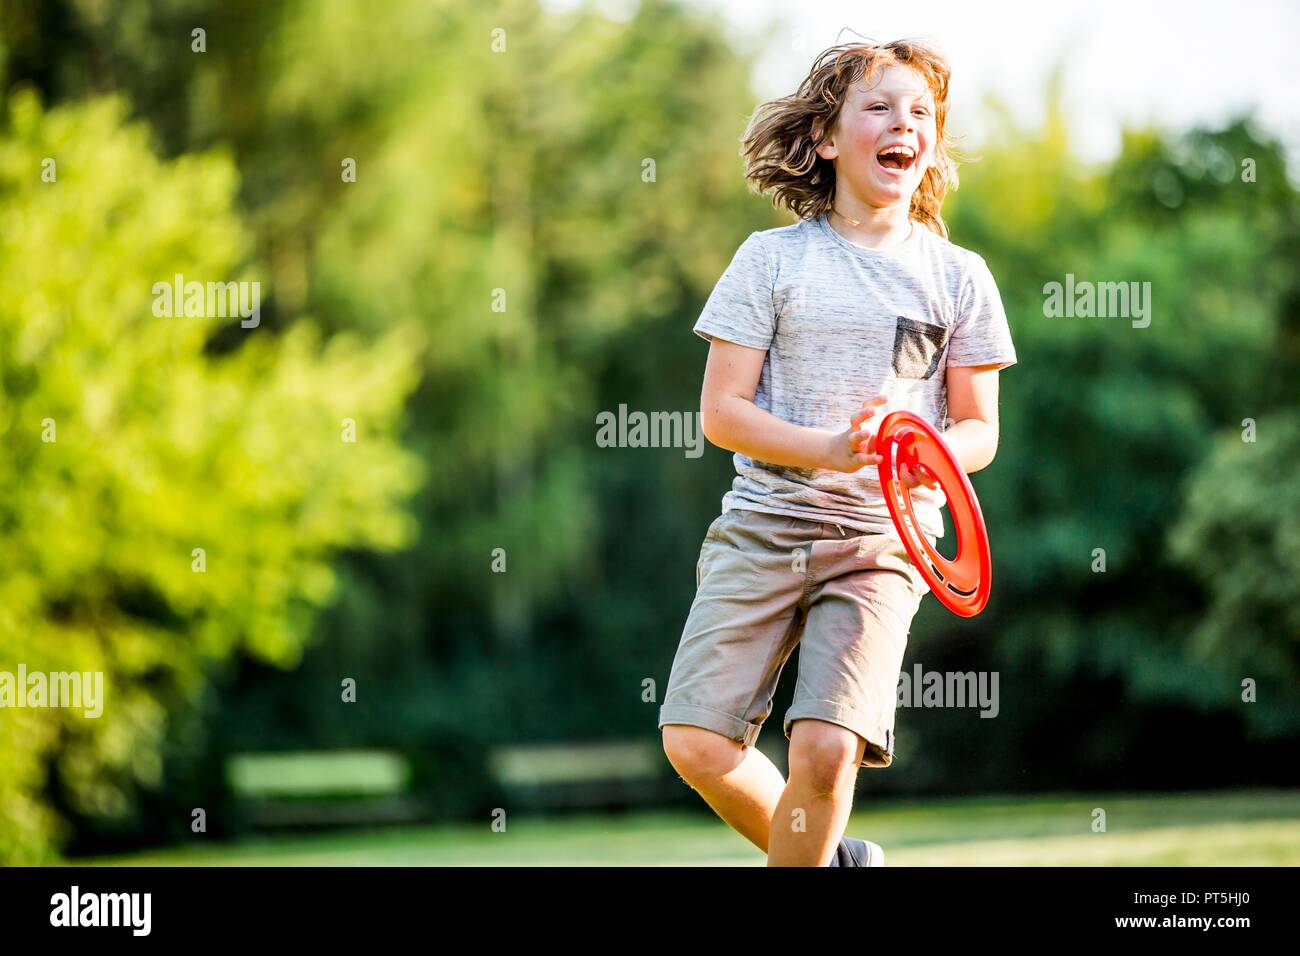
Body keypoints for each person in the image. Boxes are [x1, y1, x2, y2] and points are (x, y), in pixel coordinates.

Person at [657, 38, 1018, 867]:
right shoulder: (770, 261)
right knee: (694, 743)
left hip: (882, 545)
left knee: (825, 748)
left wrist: (921, 449)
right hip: (764, 527)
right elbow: (721, 414)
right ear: (826, 136)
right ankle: (837, 862)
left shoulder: (959, 276)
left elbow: (980, 431)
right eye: (880, 108)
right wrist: (830, 447)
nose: (906, 126)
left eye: (921, 112)